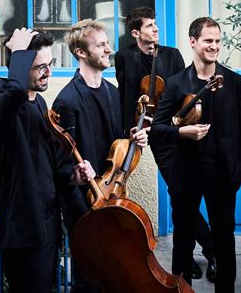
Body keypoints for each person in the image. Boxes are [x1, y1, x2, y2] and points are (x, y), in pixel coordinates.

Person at [0, 28, 95, 293]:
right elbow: (13, 96)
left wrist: (72, 176)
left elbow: (50, 164)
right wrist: (19, 53)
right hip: (22, 229)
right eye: (39, 67)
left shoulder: (41, 104)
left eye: (50, 64)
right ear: (19, 67)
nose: (48, 72)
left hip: (48, 224)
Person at [115, 6, 217, 281]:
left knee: (179, 194)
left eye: (155, 24)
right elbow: (126, 97)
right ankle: (206, 251)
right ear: (136, 32)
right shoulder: (125, 57)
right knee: (179, 191)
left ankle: (192, 255)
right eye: (149, 26)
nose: (156, 29)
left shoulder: (171, 55)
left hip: (178, 130)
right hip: (154, 133)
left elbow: (187, 89)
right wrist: (130, 133)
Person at [151, 17, 241, 292]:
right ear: (193, 42)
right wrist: (183, 133)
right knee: (183, 241)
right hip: (187, 172)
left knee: (224, 240)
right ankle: (181, 289)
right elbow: (158, 129)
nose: (214, 46)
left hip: (223, 174)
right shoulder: (176, 83)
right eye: (208, 41)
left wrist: (239, 169)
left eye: (218, 41)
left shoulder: (234, 82)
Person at [52, 19, 148, 292]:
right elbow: (60, 166)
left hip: (113, 196)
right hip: (84, 204)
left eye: (108, 43)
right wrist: (76, 175)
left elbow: (120, 144)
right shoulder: (67, 100)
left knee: (113, 270)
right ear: (81, 53)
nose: (109, 49)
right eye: (101, 45)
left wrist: (137, 139)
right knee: (89, 276)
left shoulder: (113, 93)